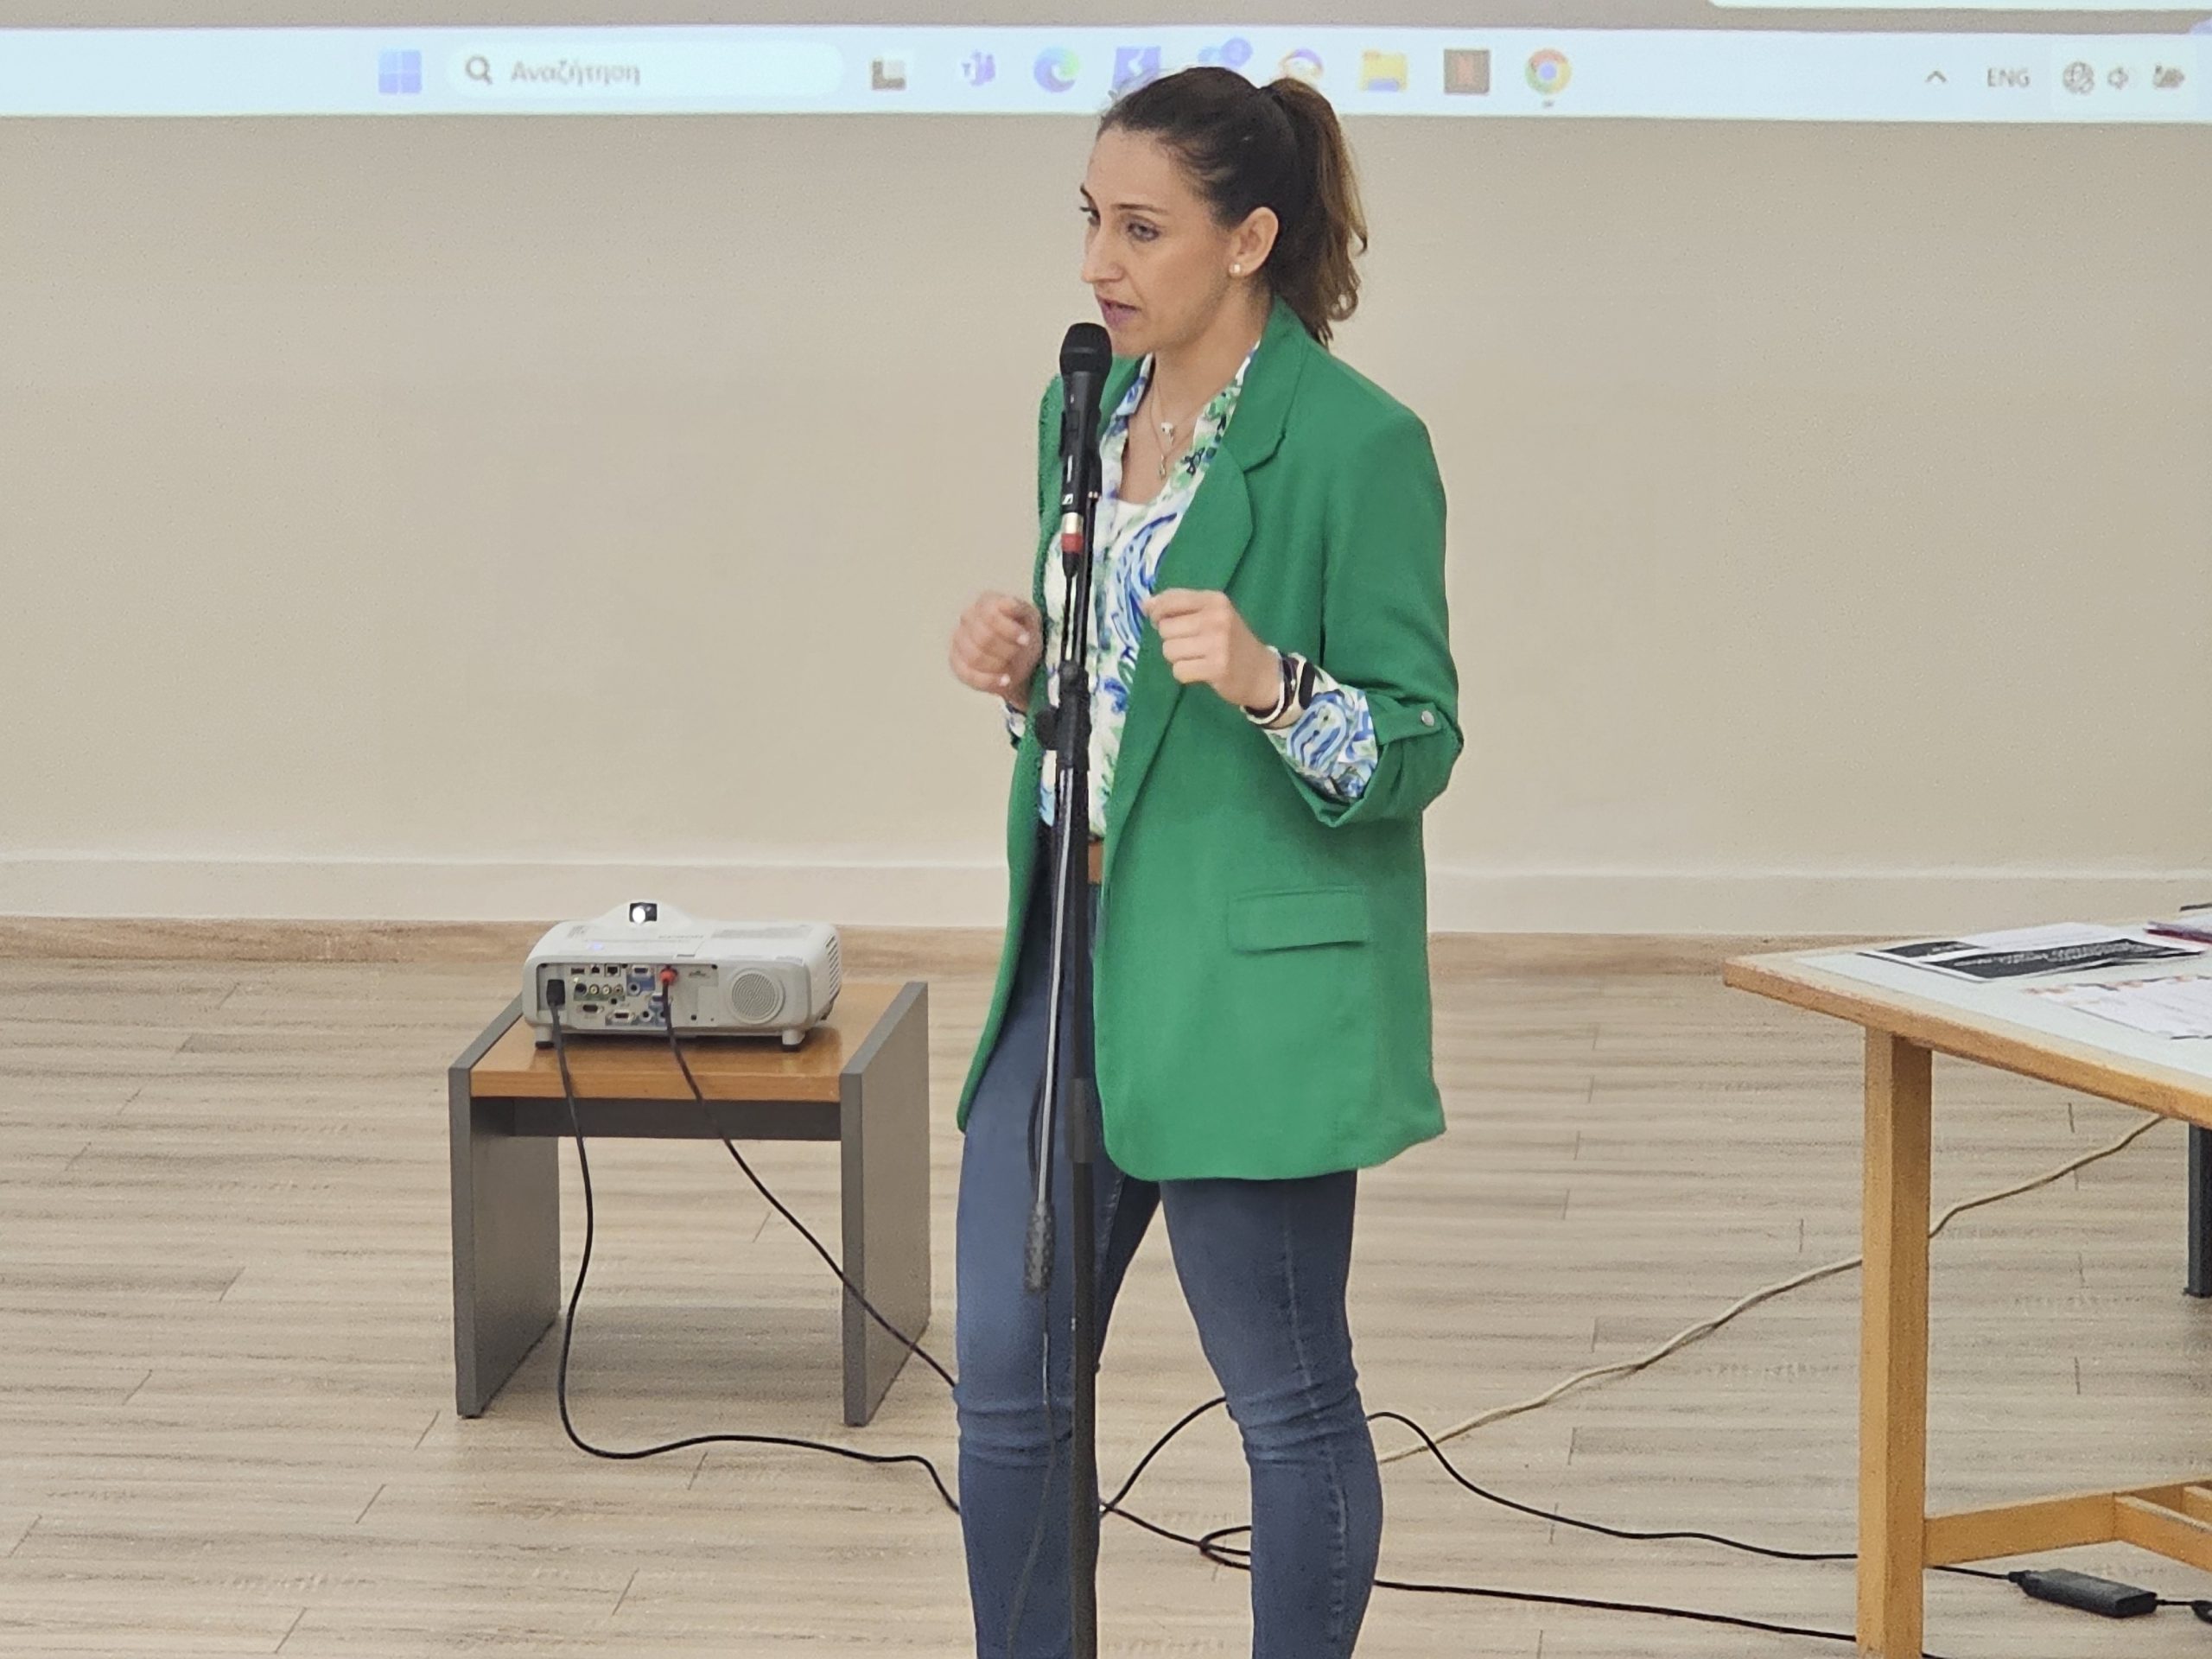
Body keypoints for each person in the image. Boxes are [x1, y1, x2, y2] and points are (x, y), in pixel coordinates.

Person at [943, 64, 1460, 1659]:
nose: (1098, 260)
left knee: (1287, 1404)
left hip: (1246, 987)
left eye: (1141, 227)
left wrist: (1271, 681)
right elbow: (1108, 715)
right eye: (1091, 219)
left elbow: (1417, 743)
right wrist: (1022, 676)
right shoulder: (1081, 408)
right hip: (1068, 957)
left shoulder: (1359, 444)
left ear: (1249, 239)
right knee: (1009, 1389)